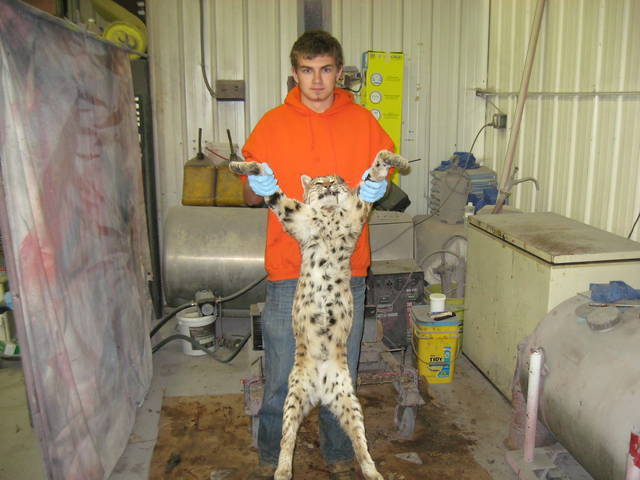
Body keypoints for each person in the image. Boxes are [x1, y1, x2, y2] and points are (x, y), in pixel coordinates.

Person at [241, 30, 394, 479]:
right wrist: (257, 185)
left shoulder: (363, 123)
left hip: (347, 271)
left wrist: (379, 185)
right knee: (282, 374)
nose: (317, 80)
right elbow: (249, 197)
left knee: (339, 371)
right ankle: (272, 459)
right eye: (307, 71)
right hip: (289, 271)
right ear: (294, 73)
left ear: (339, 72)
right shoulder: (272, 124)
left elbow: (382, 180)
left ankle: (340, 456)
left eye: (326, 70)